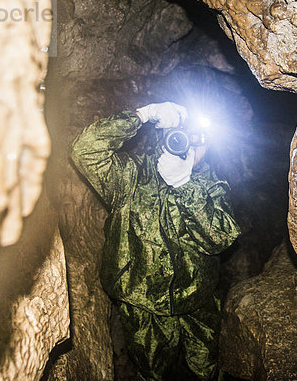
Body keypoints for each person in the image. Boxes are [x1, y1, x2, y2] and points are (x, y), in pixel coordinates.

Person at [70, 102, 241, 380]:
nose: (189, 146)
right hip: (142, 301)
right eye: (180, 136)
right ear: (163, 136)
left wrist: (184, 184)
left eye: (199, 141)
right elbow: (84, 150)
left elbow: (220, 238)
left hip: (197, 297)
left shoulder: (210, 184)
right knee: (152, 372)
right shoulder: (130, 176)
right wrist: (142, 115)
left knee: (207, 367)